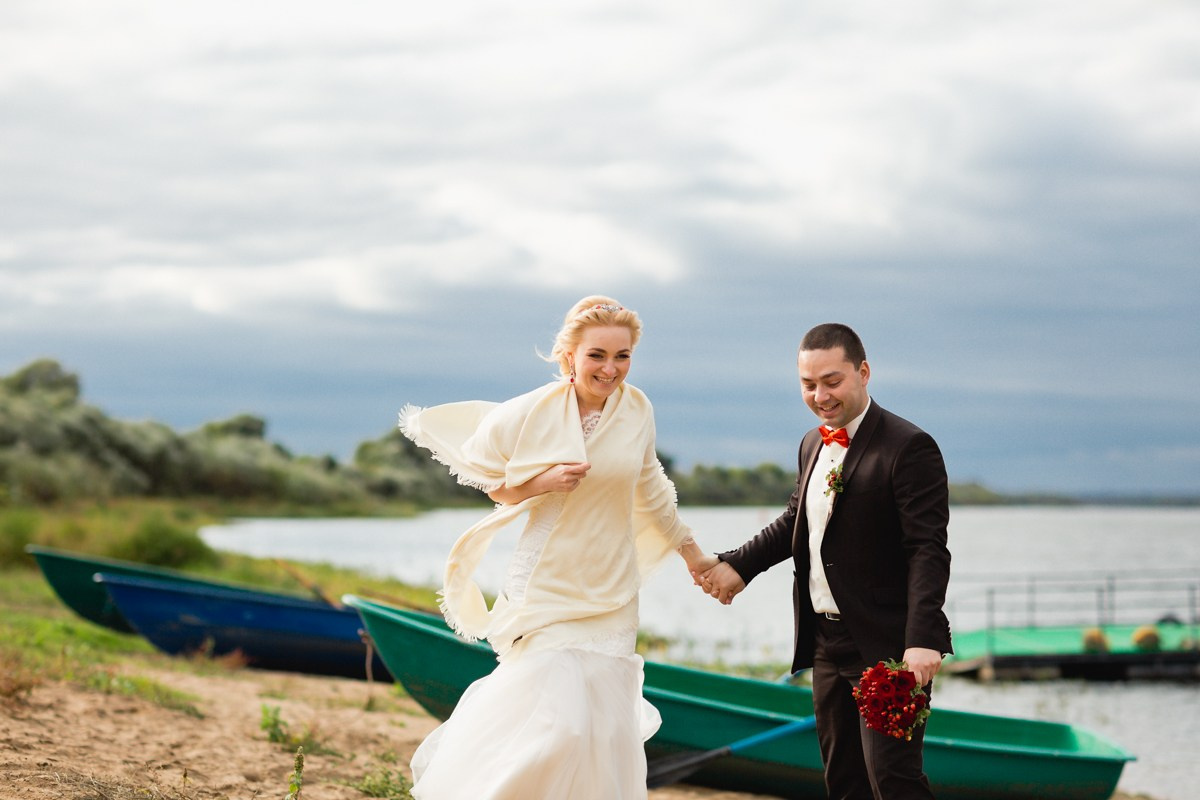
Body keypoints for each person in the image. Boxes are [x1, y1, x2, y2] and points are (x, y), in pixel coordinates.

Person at [398, 295, 710, 800]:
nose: (611, 369)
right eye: (597, 355)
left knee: (604, 729)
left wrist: (696, 558)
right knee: (556, 727)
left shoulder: (638, 408)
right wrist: (540, 480)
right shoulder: (530, 411)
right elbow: (490, 480)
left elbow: (650, 486)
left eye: (622, 356)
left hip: (611, 584)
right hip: (547, 578)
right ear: (569, 356)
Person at [695, 322, 952, 800]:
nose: (820, 395)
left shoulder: (910, 447)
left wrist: (921, 639)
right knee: (844, 782)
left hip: (888, 646)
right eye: (808, 384)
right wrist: (738, 566)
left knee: (892, 780)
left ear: (864, 372)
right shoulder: (812, 443)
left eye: (832, 381)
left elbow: (928, 549)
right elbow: (797, 520)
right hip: (826, 643)